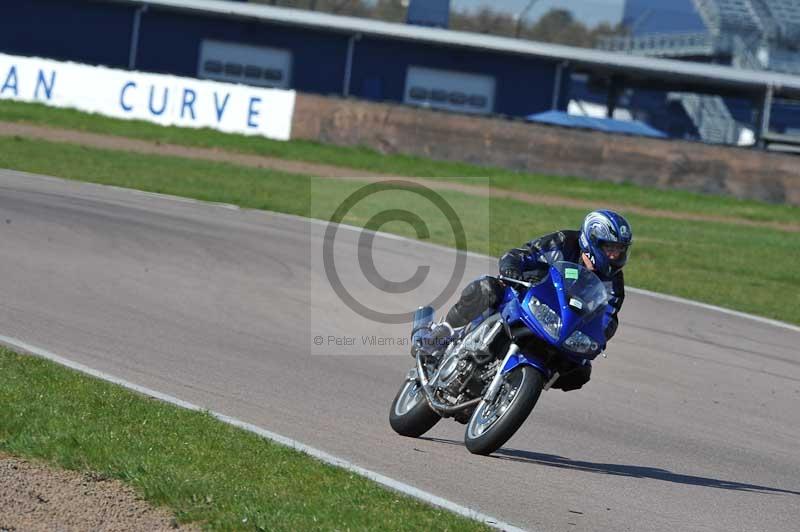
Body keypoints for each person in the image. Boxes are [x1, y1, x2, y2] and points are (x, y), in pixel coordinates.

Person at [415, 210, 633, 391]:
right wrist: (513, 270)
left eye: (620, 250)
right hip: (528, 297)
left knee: (580, 372)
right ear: (592, 241)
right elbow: (521, 254)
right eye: (609, 248)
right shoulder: (564, 242)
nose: (615, 255)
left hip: (560, 326)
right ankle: (440, 334)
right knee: (486, 288)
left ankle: (518, 387)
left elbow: (608, 319)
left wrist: (598, 337)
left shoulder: (614, 284)